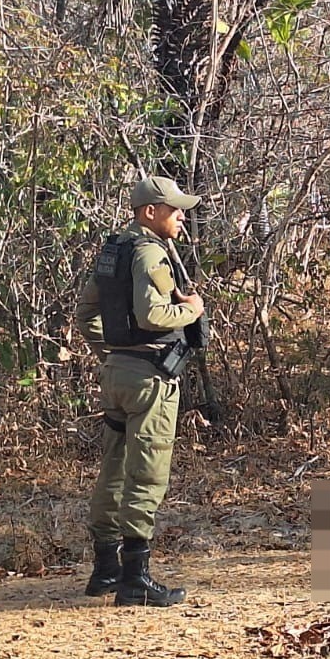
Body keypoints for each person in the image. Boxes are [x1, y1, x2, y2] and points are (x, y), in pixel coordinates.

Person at [73, 176, 206, 607]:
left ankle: (105, 571)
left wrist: (110, 355)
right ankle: (135, 579)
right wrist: (189, 311)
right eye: (175, 209)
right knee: (146, 473)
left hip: (116, 375)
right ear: (150, 211)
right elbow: (152, 315)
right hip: (150, 379)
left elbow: (87, 312)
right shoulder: (149, 252)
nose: (181, 216)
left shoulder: (115, 250)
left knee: (111, 471)